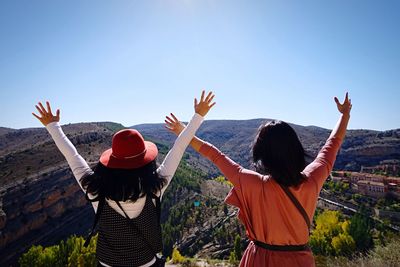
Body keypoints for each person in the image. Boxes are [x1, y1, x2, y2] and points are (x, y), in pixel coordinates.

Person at [165, 93, 352, 267]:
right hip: (299, 260)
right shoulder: (312, 180)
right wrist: (345, 115)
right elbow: (333, 143)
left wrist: (185, 131)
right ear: (295, 149)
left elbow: (215, 155)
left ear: (261, 154)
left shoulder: (252, 183)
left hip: (260, 259)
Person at [32, 90, 216, 267]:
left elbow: (73, 156)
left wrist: (53, 126)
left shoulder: (95, 189)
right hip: (145, 262)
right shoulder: (155, 187)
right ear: (146, 161)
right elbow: (179, 147)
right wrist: (198, 116)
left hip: (108, 263)